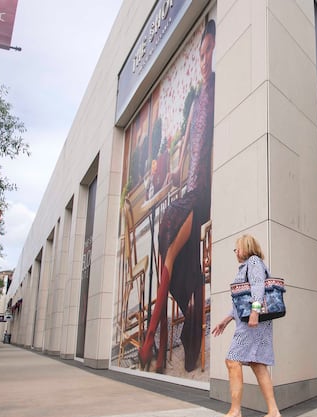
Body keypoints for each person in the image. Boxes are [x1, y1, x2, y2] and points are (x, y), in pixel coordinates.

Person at [137, 19, 216, 373]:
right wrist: (171, 171)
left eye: (208, 50)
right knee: (167, 237)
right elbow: (187, 150)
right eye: (201, 52)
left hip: (201, 194)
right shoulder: (200, 95)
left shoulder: (213, 89)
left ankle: (153, 336)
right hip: (188, 191)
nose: (203, 58)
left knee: (168, 240)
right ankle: (158, 336)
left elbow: (205, 147)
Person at [210, 234, 282, 417]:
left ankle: (235, 413)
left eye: (237, 248)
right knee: (258, 364)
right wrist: (226, 320)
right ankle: (274, 412)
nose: (236, 252)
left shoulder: (253, 261)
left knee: (232, 360)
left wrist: (255, 312)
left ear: (245, 247)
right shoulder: (246, 266)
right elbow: (240, 301)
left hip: (253, 321)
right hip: (252, 320)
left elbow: (258, 286)